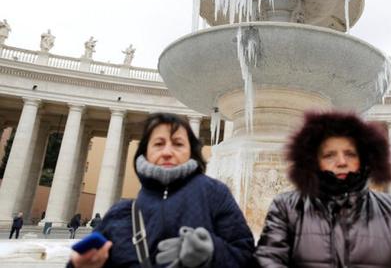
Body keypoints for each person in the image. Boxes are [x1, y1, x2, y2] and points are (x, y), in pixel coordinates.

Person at [69, 112, 254, 267]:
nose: (167, 152)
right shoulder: (120, 214)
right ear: (144, 152)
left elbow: (247, 257)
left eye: (178, 144)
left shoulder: (214, 193)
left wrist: (212, 252)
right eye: (158, 144)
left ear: (192, 151)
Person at [254, 111, 391, 267]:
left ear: (365, 158)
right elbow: (268, 260)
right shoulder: (287, 207)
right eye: (329, 155)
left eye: (350, 154)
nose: (341, 162)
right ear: (313, 161)